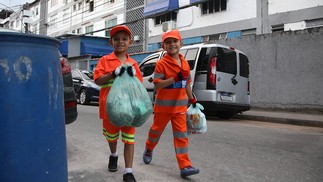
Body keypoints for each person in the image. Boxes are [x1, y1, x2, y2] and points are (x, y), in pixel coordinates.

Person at [142, 29, 200, 178]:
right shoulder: (161, 64)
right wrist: (174, 78)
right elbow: (157, 85)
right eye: (168, 42)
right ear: (164, 46)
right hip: (163, 108)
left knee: (181, 136)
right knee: (155, 132)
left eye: (175, 41)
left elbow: (187, 84)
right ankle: (149, 148)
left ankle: (185, 166)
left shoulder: (185, 64)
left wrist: (192, 98)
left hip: (180, 108)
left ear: (181, 43)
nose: (172, 44)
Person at [94, 25, 142, 182]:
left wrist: (133, 76)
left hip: (129, 109)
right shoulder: (104, 61)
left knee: (129, 138)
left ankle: (128, 171)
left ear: (130, 42)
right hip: (110, 109)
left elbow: (139, 86)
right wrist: (112, 74)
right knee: (112, 138)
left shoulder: (134, 64)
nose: (120, 42)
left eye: (124, 39)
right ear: (111, 42)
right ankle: (114, 155)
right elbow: (98, 80)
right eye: (116, 39)